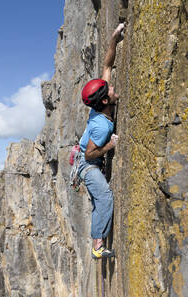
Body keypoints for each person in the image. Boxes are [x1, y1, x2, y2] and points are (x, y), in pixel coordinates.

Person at [78, 23, 125, 259]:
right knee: (104, 196)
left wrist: (114, 39)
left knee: (100, 198)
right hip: (87, 165)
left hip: (88, 159)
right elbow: (88, 154)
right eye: (111, 90)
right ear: (105, 101)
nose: (114, 88)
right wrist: (110, 146)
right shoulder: (101, 125)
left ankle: (99, 235)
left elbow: (107, 64)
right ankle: (97, 246)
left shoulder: (101, 103)